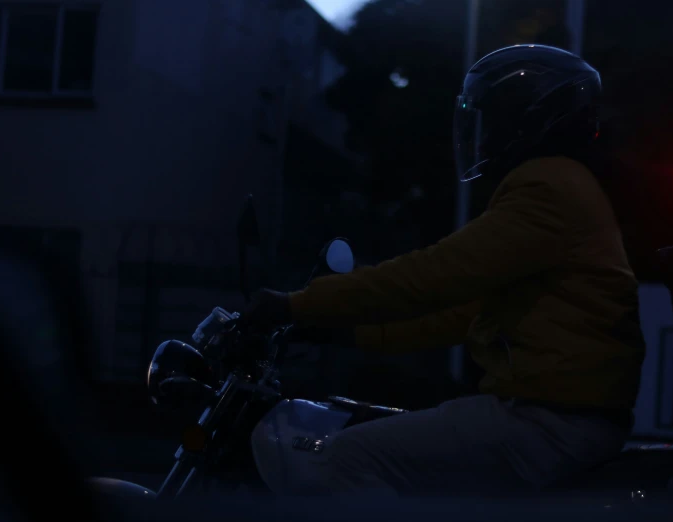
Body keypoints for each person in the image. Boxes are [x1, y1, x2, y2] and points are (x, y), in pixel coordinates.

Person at [246, 44, 646, 495]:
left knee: (347, 455)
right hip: (558, 416)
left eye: (494, 119)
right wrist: (343, 331)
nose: (485, 135)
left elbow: (431, 276)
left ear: (529, 121)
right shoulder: (563, 187)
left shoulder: (548, 186)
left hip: (549, 420)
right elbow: (465, 313)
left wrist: (296, 305)